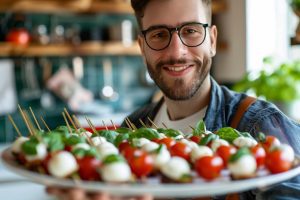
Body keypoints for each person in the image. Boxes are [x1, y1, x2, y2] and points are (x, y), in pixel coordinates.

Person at [48, 0, 300, 199]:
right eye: (158, 34)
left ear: (211, 40)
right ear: (142, 46)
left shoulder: (262, 127)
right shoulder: (132, 128)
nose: (176, 52)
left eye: (190, 31)